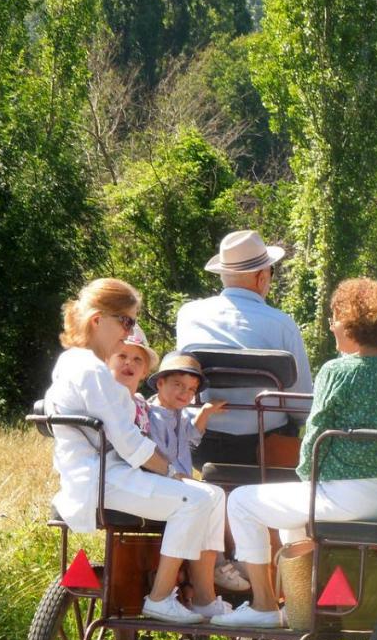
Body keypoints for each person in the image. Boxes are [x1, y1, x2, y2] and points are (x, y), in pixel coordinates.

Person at [216, 278, 377, 628]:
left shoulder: (337, 371)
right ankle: (300, 610)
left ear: (351, 323)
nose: (332, 325)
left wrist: (308, 478)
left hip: (348, 498)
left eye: (334, 317)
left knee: (242, 501)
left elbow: (315, 435)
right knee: (294, 520)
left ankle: (263, 605)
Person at [45, 278, 229, 624]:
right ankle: (160, 597)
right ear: (98, 320)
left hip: (103, 472)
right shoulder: (91, 370)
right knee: (198, 499)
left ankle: (205, 597)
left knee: (213, 495)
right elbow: (129, 442)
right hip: (101, 478)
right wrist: (173, 472)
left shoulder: (73, 363)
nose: (130, 330)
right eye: (126, 321)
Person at [175, 229, 314, 465]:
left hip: (201, 444)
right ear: (261, 277)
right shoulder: (283, 325)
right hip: (264, 449)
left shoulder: (188, 315)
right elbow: (301, 407)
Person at [145, 352, 250, 594]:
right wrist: (175, 476)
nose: (185, 393)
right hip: (163, 481)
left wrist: (205, 414)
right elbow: (154, 456)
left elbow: (190, 438)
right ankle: (218, 565)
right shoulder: (153, 416)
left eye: (191, 389)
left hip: (180, 482)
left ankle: (211, 566)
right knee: (215, 495)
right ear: (160, 383)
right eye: (178, 385)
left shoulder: (178, 413)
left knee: (216, 494)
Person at [105, 324, 159, 431]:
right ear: (107, 362)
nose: (129, 362)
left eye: (137, 359)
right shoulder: (103, 400)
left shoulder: (143, 405)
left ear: (145, 371)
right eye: (122, 356)